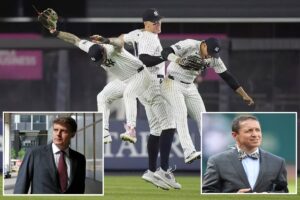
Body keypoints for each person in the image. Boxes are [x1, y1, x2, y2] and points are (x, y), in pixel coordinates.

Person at [92, 8, 191, 190]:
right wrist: (165, 56)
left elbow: (121, 39)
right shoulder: (148, 37)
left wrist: (106, 40)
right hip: (153, 83)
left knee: (155, 129)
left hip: (143, 85)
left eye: (159, 21)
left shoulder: (137, 34)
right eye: (155, 22)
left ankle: (152, 171)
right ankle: (164, 170)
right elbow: (145, 59)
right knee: (169, 125)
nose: (158, 24)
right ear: (146, 24)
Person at [37, 10, 151, 136]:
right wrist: (56, 32)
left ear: (103, 51)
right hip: (124, 79)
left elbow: (119, 42)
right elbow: (74, 40)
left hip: (139, 74)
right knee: (101, 97)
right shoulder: (91, 47)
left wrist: (107, 40)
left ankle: (131, 130)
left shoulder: (112, 49)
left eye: (100, 59)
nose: (101, 62)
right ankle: (104, 132)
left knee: (128, 96)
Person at [161, 38, 254, 161]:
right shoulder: (189, 45)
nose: (209, 55)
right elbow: (165, 52)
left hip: (190, 85)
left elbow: (227, 76)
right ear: (203, 45)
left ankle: (217, 154)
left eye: (213, 53)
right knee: (181, 113)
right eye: (209, 51)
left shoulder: (214, 58)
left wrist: (244, 94)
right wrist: (178, 59)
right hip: (172, 82)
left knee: (202, 117)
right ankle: (189, 152)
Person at [202, 115, 288, 193]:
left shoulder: (278, 162)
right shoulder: (217, 161)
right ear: (235, 135)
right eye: (249, 131)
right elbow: (207, 192)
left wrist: (268, 195)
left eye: (258, 130)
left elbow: (283, 191)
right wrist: (234, 197)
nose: (255, 134)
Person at [14, 117, 86, 194]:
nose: (58, 134)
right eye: (55, 130)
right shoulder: (34, 154)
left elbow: (80, 189)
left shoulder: (80, 159)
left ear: (73, 134)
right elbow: (20, 187)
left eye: (63, 131)